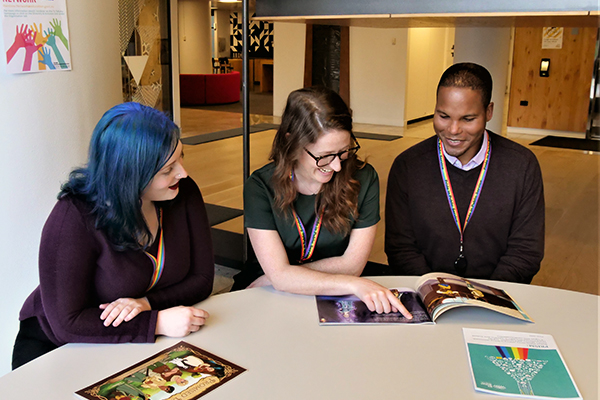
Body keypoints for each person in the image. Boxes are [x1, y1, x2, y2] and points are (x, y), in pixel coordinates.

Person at [12, 102, 215, 369]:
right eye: (167, 169)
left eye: (181, 157)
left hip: (138, 340)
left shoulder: (182, 192)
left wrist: (146, 304)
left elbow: (202, 279)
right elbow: (67, 324)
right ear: (129, 174)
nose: (183, 173)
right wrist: (158, 322)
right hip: (58, 348)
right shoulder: (73, 217)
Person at [235, 86, 412, 318]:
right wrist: (280, 277)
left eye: (344, 151)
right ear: (292, 142)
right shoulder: (259, 186)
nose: (337, 166)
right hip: (269, 289)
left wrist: (282, 277)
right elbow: (280, 276)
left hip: (281, 283)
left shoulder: (364, 177)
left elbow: (353, 265)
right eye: (325, 156)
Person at [385, 62, 544, 284]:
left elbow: (525, 252)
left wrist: (486, 298)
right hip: (427, 294)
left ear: (488, 112)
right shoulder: (407, 166)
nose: (453, 130)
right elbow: (400, 248)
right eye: (443, 116)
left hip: (498, 295)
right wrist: (435, 293)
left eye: (467, 119)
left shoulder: (521, 165)